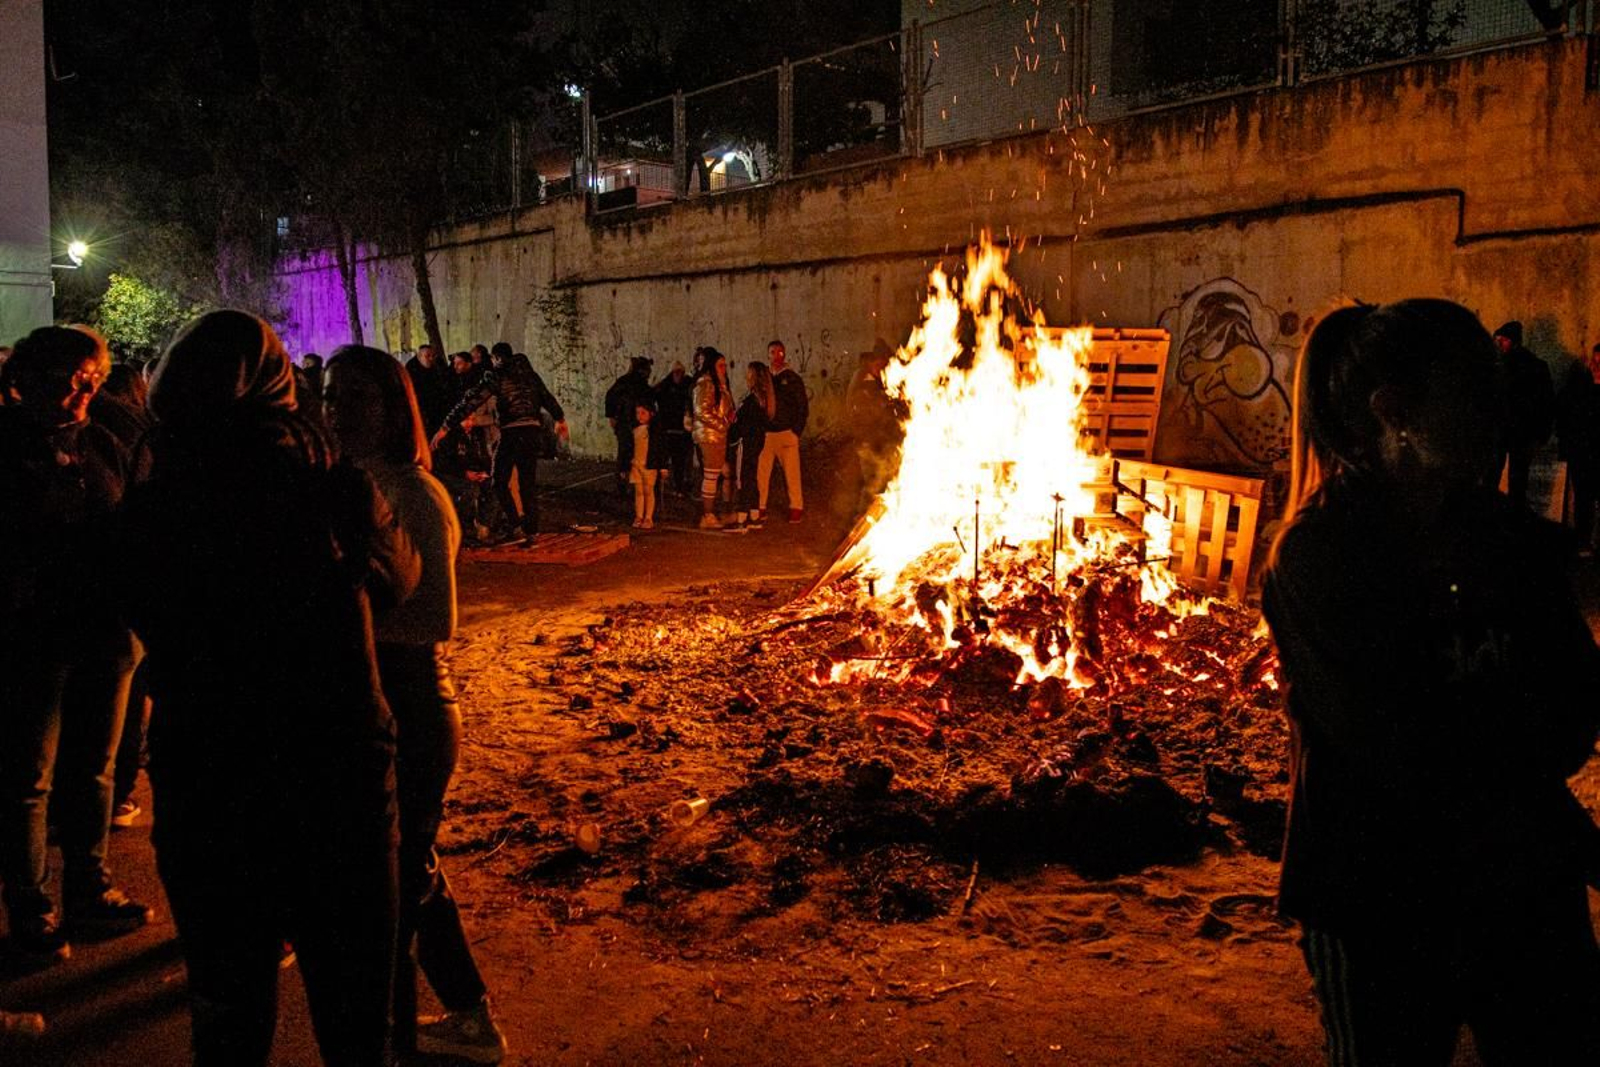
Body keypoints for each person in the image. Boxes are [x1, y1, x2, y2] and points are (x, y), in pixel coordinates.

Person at [1262, 299, 1600, 1065]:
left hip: (1523, 890)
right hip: (1380, 900)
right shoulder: (1320, 559)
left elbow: (1577, 702)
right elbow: (1404, 747)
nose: (1498, 412)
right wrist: (1526, 762)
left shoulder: (1511, 540)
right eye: (1471, 392)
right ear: (1394, 413)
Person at [116, 310, 419, 1066]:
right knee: (355, 1024)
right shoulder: (322, 484)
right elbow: (399, 579)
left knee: (227, 1016)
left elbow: (120, 603)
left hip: (208, 783)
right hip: (335, 779)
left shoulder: (155, 500)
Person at [323, 345, 507, 1064]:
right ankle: (458, 1012)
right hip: (372, 695)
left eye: (357, 398)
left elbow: (434, 615)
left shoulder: (410, 490)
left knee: (403, 874)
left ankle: (458, 1016)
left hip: (410, 697)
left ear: (393, 408)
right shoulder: (352, 480)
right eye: (331, 395)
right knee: (403, 868)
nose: (338, 410)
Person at [0, 326, 152, 962]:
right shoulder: (6, 448)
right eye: (66, 378)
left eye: (90, 376)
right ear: (24, 383)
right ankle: (31, 910)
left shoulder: (107, 440)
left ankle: (91, 892)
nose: (79, 390)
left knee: (94, 769)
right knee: (26, 777)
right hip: (31, 637)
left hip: (107, 634)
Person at [432, 343, 567, 544]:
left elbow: (472, 399)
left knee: (498, 481)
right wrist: (560, 419)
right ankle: (532, 530)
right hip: (532, 431)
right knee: (527, 482)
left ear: (496, 358)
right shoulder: (531, 375)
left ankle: (515, 525)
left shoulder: (496, 374)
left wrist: (445, 426)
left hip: (511, 431)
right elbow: (547, 397)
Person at [1493, 321, 1553, 509]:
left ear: (1514, 341)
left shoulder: (1498, 365)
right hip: (1520, 433)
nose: (1499, 344)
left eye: (1503, 340)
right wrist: (1541, 435)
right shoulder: (1536, 366)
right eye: (1498, 340)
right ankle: (1513, 523)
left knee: (1493, 479)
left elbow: (1545, 402)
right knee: (1517, 483)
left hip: (1506, 432)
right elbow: (1546, 403)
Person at [1554, 347, 1600, 553]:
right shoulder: (1579, 390)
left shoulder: (1579, 391)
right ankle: (1583, 541)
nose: (1596, 367)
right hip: (1583, 453)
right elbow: (1565, 420)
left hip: (1584, 451)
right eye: (1595, 362)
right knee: (1584, 498)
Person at [758, 339, 808, 523]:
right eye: (772, 352)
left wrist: (796, 431)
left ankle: (796, 508)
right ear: (768, 355)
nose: (776, 356)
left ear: (784, 354)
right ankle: (760, 507)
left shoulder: (793, 379)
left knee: (792, 474)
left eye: (779, 352)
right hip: (767, 434)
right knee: (762, 474)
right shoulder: (764, 379)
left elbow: (802, 407)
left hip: (786, 433)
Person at [691, 347, 736, 529]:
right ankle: (707, 515)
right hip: (710, 436)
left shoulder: (720, 385)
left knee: (722, 472)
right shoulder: (706, 384)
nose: (724, 369)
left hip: (718, 435)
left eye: (725, 365)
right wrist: (722, 423)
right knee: (710, 476)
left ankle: (720, 511)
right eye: (720, 365)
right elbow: (702, 411)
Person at [728, 361, 775, 531]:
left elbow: (740, 424)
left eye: (749, 374)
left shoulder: (749, 401)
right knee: (752, 477)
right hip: (757, 442)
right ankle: (754, 516)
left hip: (745, 443)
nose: (746, 377)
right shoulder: (764, 400)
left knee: (742, 479)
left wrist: (733, 426)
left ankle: (741, 519)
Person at [605, 356, 654, 508]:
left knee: (624, 455)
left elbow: (610, 397)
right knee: (638, 455)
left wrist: (612, 416)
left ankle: (623, 485)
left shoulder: (622, 382)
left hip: (623, 424)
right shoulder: (642, 386)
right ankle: (634, 486)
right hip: (634, 425)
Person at [654, 360, 694, 497]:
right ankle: (659, 488)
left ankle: (678, 486)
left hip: (681, 430)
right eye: (676, 372)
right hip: (668, 429)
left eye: (680, 372)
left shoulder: (688, 384)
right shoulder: (665, 385)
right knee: (664, 461)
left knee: (679, 462)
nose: (678, 375)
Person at [628, 399, 668, 530]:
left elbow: (661, 449)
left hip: (649, 465)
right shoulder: (635, 430)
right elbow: (629, 448)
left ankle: (648, 517)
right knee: (638, 491)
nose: (639, 416)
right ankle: (639, 516)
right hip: (636, 464)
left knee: (648, 491)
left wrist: (663, 466)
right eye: (637, 413)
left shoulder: (655, 431)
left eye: (643, 413)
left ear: (651, 413)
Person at [405, 344, 451, 435]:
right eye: (427, 356)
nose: (431, 359)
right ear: (419, 356)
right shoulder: (411, 370)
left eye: (433, 356)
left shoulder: (435, 367)